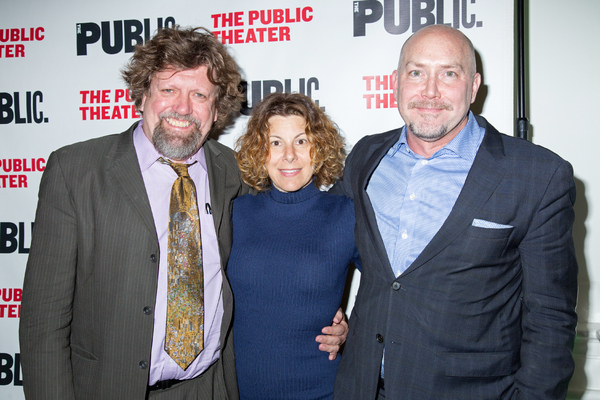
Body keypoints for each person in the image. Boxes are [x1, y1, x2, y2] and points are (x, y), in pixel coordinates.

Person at [19, 26, 347, 400]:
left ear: (216, 107)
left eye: (199, 94)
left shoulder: (231, 170)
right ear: (143, 94)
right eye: (169, 89)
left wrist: (333, 319)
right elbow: (42, 323)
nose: (183, 107)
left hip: (210, 387)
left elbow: (292, 236)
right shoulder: (75, 171)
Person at [332, 24, 578, 399]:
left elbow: (551, 321)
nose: (430, 92)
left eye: (449, 74)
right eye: (416, 73)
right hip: (360, 387)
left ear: (474, 86)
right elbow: (331, 249)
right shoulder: (365, 157)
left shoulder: (537, 175)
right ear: (396, 81)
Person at [227, 92, 360, 400]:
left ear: (319, 147)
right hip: (238, 392)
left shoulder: (346, 215)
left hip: (322, 391)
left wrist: (353, 331)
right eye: (275, 142)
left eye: (301, 141)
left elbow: (392, 291)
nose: (288, 155)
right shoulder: (235, 213)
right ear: (260, 151)